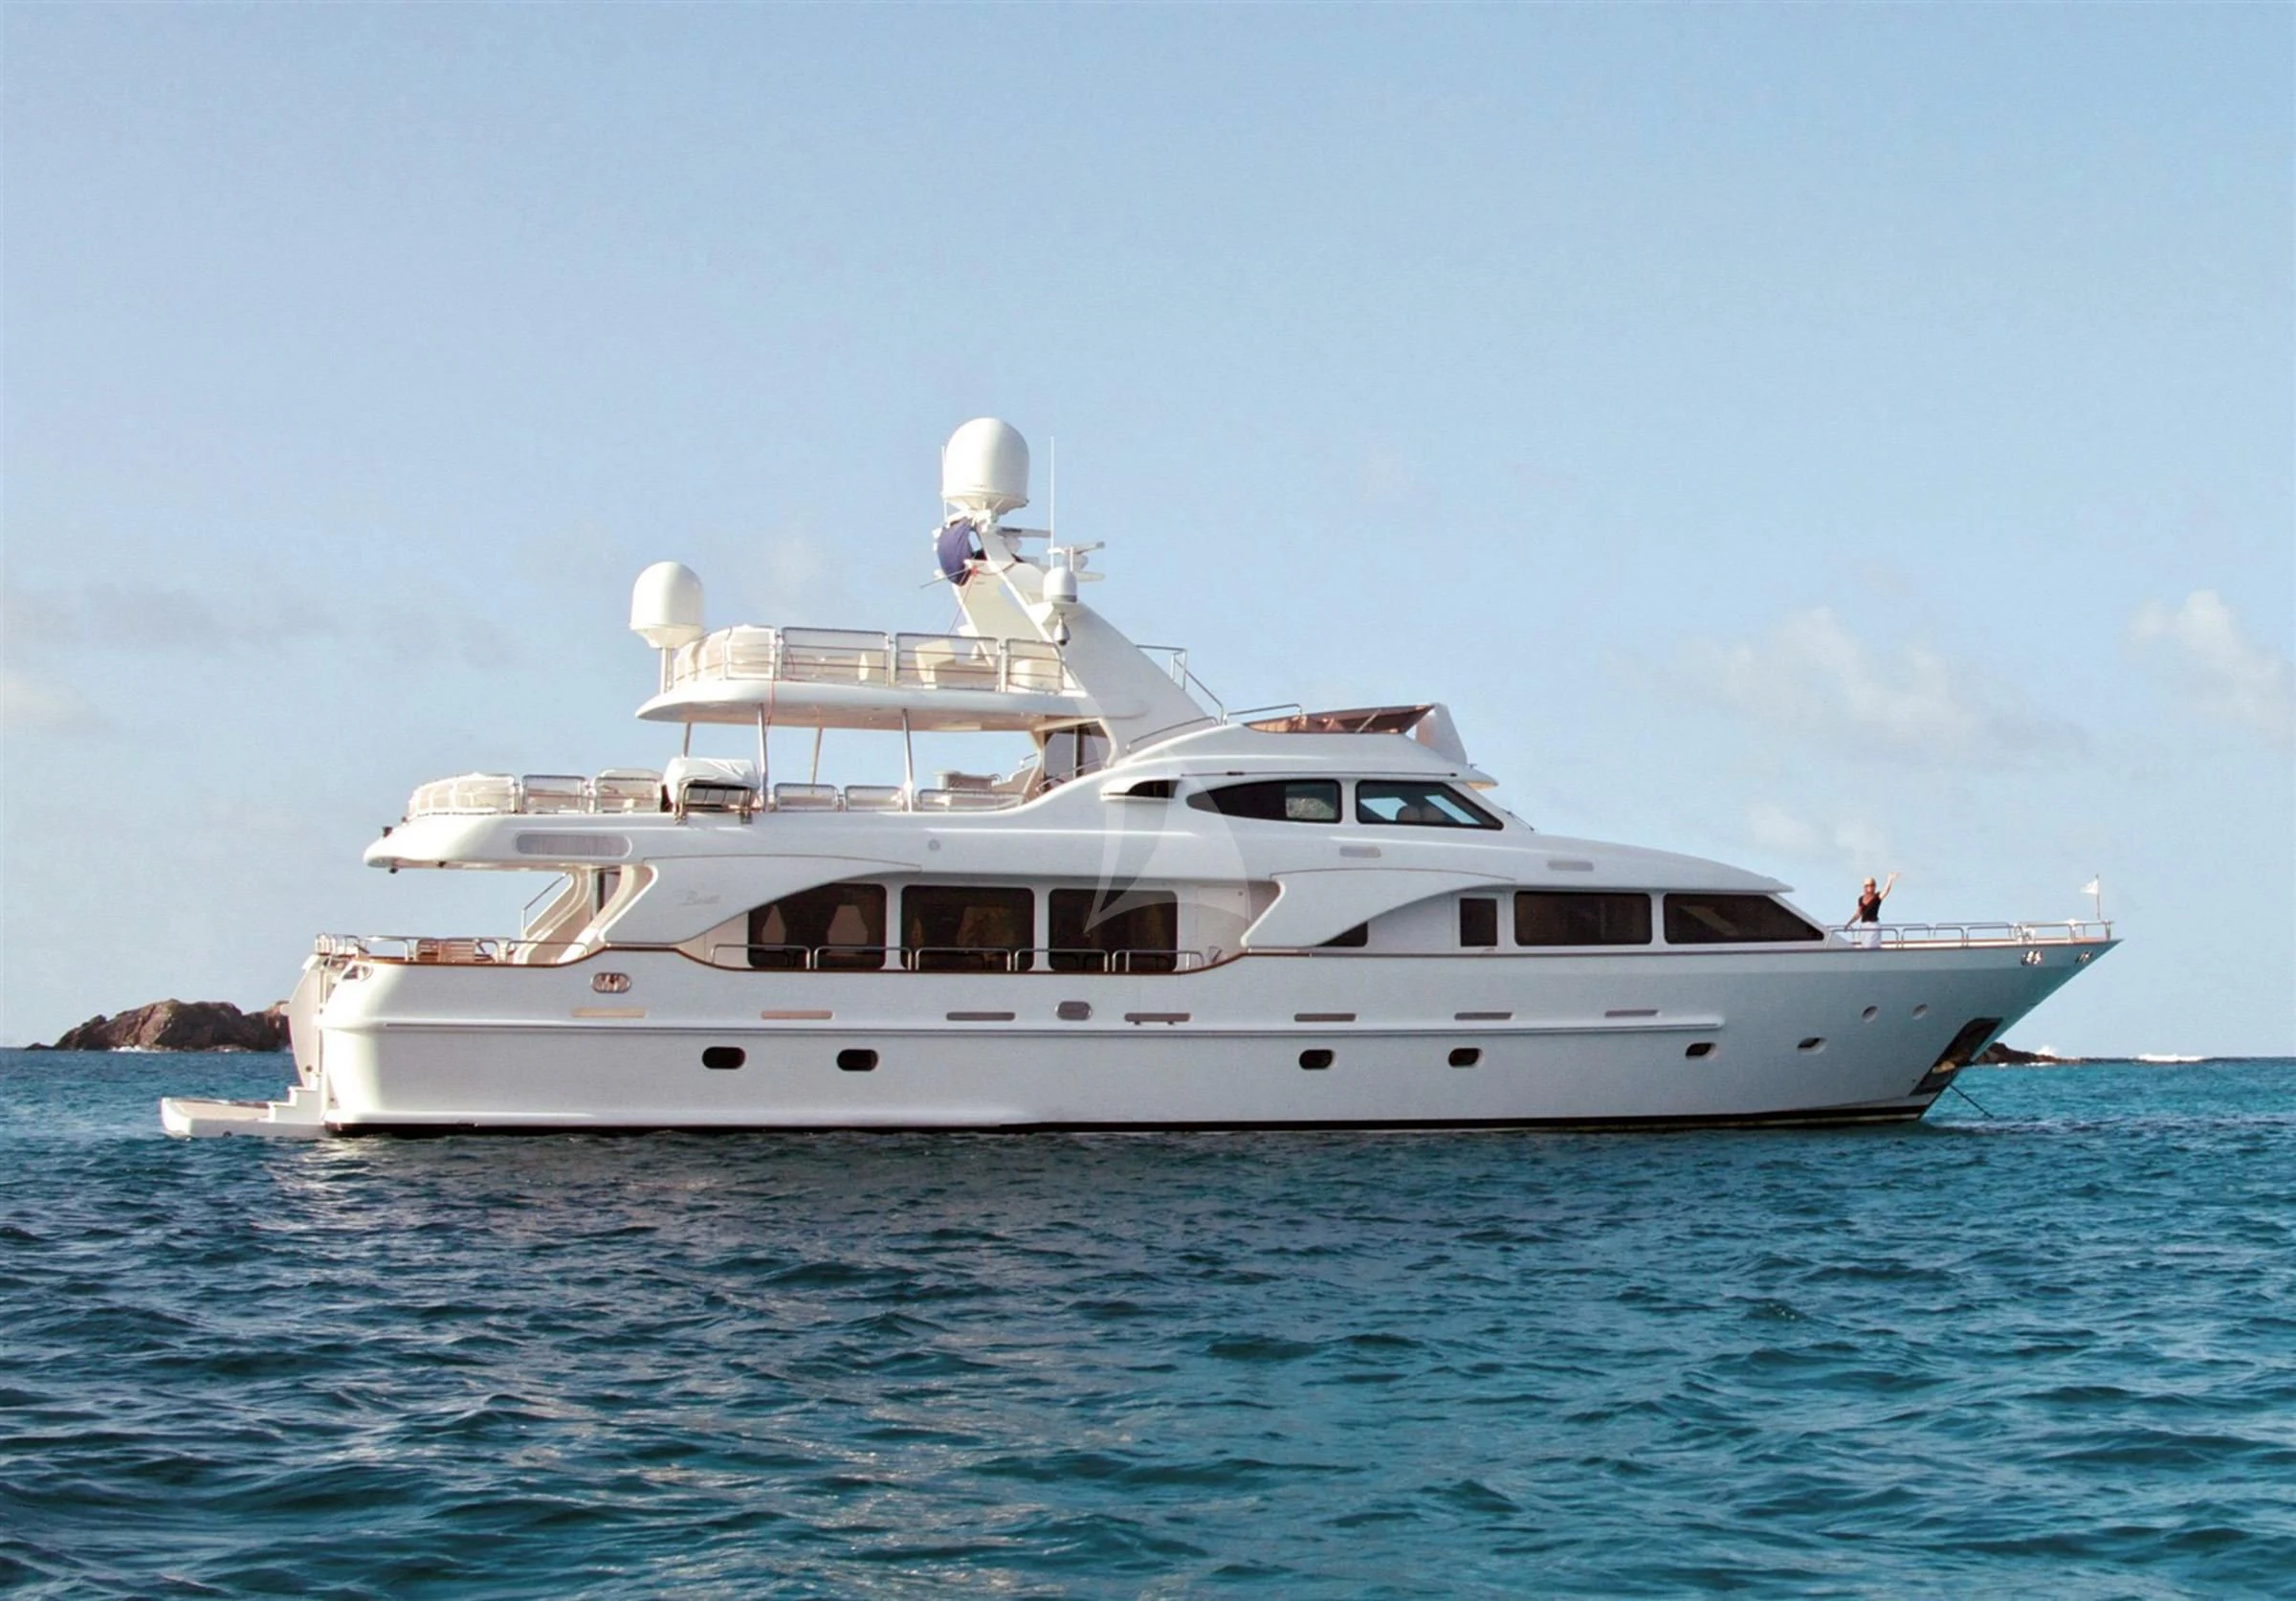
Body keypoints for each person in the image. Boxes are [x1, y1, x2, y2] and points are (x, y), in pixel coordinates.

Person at [1851, 873, 1899, 947]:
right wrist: (1849, 923)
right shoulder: (1861, 899)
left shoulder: (1877, 897)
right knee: (1864, 946)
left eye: (1872, 885)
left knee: (1870, 946)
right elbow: (1858, 913)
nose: (1869, 887)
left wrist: (1890, 879)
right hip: (1864, 926)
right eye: (1867, 885)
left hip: (1873, 925)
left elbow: (1885, 891)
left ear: (1874, 886)